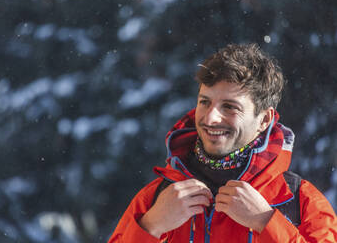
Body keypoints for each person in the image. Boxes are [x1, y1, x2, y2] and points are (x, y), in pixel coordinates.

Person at [108, 43, 337, 242]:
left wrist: (266, 223)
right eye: (204, 102)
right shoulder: (156, 199)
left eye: (230, 107)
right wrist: (152, 227)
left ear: (264, 119)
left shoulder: (300, 202)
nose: (210, 118)